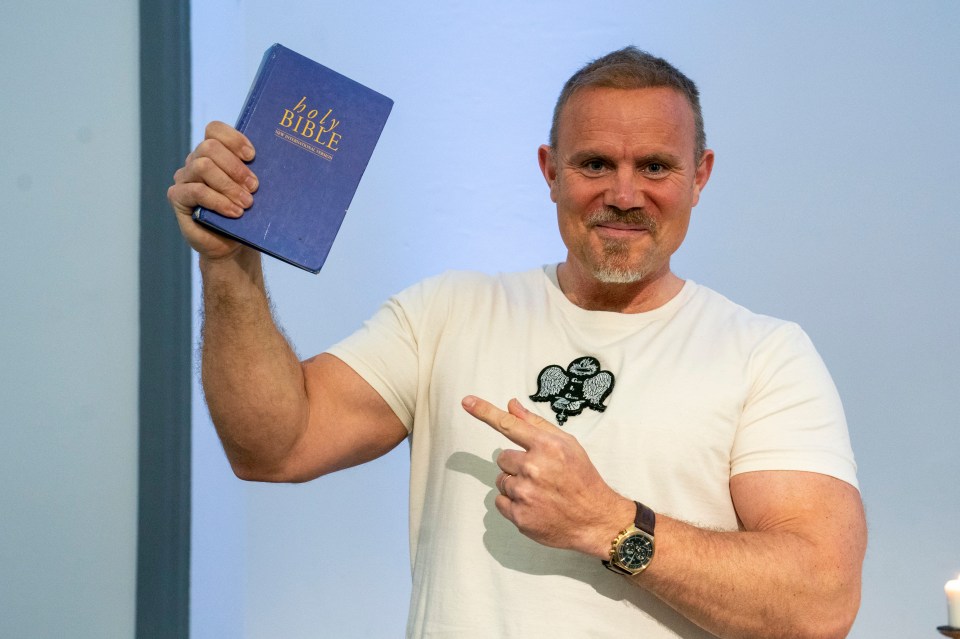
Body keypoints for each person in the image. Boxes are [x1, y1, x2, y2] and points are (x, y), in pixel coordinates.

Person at [168, 47, 866, 638]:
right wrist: (230, 264)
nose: (625, 194)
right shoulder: (448, 311)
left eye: (655, 167)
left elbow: (821, 599)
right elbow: (273, 446)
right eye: (595, 164)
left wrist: (610, 523)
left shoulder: (764, 354)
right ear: (550, 170)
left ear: (700, 175)